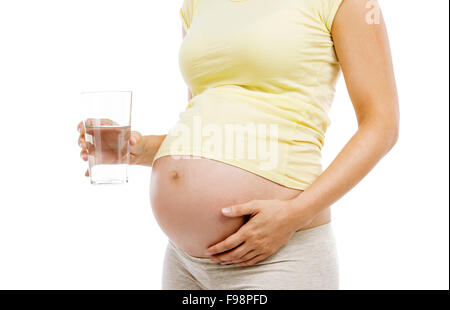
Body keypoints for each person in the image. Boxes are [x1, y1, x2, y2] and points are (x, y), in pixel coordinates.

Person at [77, 0, 399, 290]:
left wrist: (295, 214)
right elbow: (206, 121)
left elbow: (382, 125)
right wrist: (137, 148)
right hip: (184, 264)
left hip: (278, 255)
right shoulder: (196, 4)